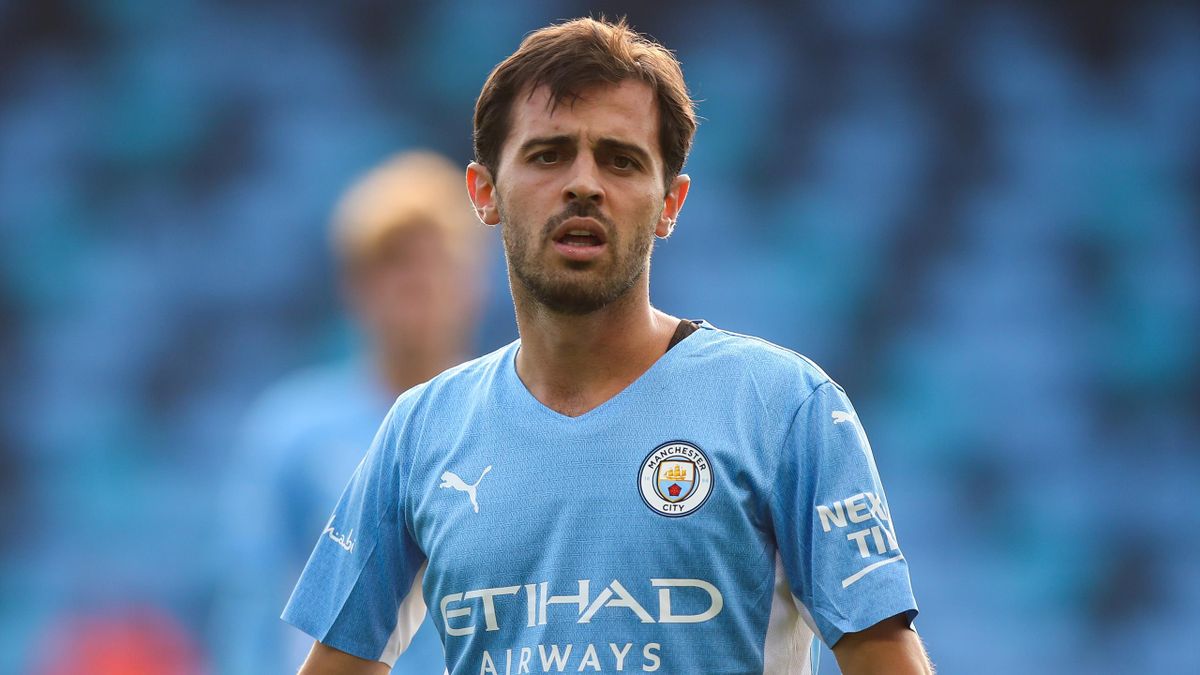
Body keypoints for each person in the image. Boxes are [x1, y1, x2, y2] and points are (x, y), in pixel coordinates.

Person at [283, 18, 932, 675]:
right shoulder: (421, 432)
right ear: (484, 193)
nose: (584, 184)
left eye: (620, 160)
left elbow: (884, 658)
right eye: (548, 154)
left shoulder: (783, 407)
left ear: (669, 204)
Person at [213, 151, 488, 675]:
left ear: (475, 282)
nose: (418, 282)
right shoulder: (291, 432)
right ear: (354, 286)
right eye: (393, 262)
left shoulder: (511, 422)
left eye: (438, 261)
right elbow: (254, 600)